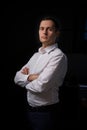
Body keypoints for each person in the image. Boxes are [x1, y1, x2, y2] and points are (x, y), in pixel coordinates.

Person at [14, 16, 68, 130]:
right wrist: (31, 77)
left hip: (46, 114)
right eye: (41, 28)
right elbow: (16, 77)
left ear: (57, 33)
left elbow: (41, 86)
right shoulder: (36, 55)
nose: (44, 32)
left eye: (49, 29)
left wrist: (24, 80)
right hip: (29, 110)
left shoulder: (58, 56)